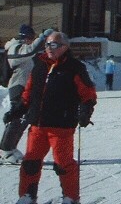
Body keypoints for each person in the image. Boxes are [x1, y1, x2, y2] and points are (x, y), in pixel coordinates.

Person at [6, 31, 97, 204]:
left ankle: (70, 198)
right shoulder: (39, 65)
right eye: (47, 44)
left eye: (53, 44)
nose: (49, 48)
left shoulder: (74, 67)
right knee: (30, 162)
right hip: (37, 125)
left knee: (63, 164)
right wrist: (18, 110)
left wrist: (85, 111)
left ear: (65, 47)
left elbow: (88, 94)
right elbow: (29, 92)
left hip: (61, 126)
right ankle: (27, 196)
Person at [0, 26, 51, 165]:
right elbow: (29, 52)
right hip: (18, 86)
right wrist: (42, 38)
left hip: (27, 87)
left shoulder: (25, 48)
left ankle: (11, 147)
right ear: (23, 37)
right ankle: (5, 149)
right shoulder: (14, 47)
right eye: (29, 38)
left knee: (25, 119)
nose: (31, 40)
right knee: (17, 117)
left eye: (32, 38)